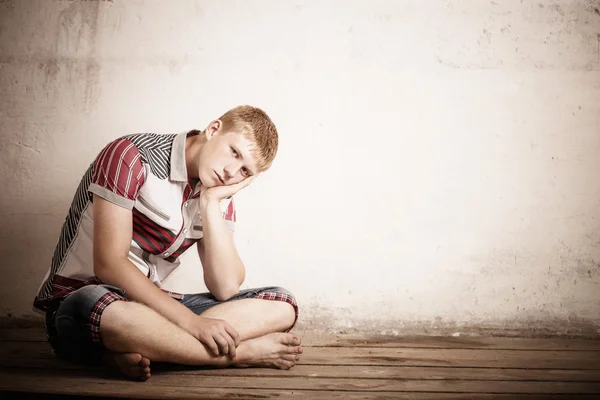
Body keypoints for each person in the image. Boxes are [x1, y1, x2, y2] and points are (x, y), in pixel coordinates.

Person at [33, 105, 301, 381]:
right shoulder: (131, 156)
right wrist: (194, 324)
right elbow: (109, 264)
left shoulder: (218, 193)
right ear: (213, 129)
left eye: (245, 171)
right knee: (96, 302)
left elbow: (226, 287)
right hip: (84, 305)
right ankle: (236, 355)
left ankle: (142, 347)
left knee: (280, 303)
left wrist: (209, 203)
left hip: (149, 312)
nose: (231, 171)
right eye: (234, 152)